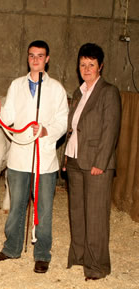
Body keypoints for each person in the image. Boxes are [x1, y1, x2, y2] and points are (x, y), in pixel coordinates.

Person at [0, 40, 69, 274]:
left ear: (47, 59)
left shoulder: (56, 89)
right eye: (32, 56)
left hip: (43, 158)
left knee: (43, 209)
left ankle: (42, 254)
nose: (35, 60)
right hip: (19, 155)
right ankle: (12, 247)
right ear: (28, 58)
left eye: (40, 56)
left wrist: (46, 130)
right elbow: (9, 115)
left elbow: (62, 121)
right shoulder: (16, 85)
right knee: (16, 206)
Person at [62, 43, 121, 281]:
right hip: (75, 160)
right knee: (77, 212)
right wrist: (67, 157)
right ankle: (79, 256)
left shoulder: (108, 92)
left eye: (91, 65)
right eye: (83, 64)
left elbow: (111, 130)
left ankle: (97, 266)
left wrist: (101, 161)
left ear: (101, 66)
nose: (86, 69)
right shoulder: (78, 93)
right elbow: (74, 130)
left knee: (95, 215)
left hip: (97, 163)